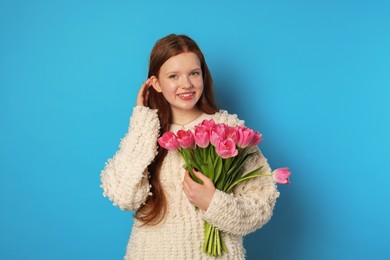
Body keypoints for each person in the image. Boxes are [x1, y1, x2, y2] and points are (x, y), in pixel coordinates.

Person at [100, 34, 279, 259]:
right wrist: (141, 121)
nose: (186, 84)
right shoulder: (146, 133)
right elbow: (124, 196)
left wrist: (214, 203)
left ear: (203, 75)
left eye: (194, 73)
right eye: (173, 76)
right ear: (156, 83)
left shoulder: (229, 130)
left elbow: (262, 202)